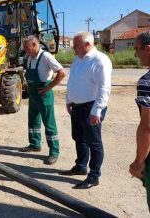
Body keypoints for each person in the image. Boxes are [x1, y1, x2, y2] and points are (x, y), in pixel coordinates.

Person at [60, 32, 112, 189]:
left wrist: (97, 111)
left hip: (91, 107)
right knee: (79, 138)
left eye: (75, 45)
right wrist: (69, 100)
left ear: (87, 45)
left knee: (94, 142)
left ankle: (94, 176)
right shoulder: (78, 59)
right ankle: (81, 166)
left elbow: (104, 87)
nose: (73, 48)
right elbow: (72, 81)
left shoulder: (100, 60)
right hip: (77, 106)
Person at [20, 35, 66, 165]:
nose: (24, 49)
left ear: (34, 44)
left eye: (26, 46)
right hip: (33, 95)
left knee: (49, 124)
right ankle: (34, 144)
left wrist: (48, 88)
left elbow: (62, 73)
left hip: (44, 95)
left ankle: (54, 151)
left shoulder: (46, 56)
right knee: (33, 121)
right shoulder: (29, 58)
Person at [130, 32, 150, 209]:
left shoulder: (147, 82)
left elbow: (147, 126)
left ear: (148, 49)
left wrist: (139, 162)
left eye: (137, 49)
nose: (136, 55)